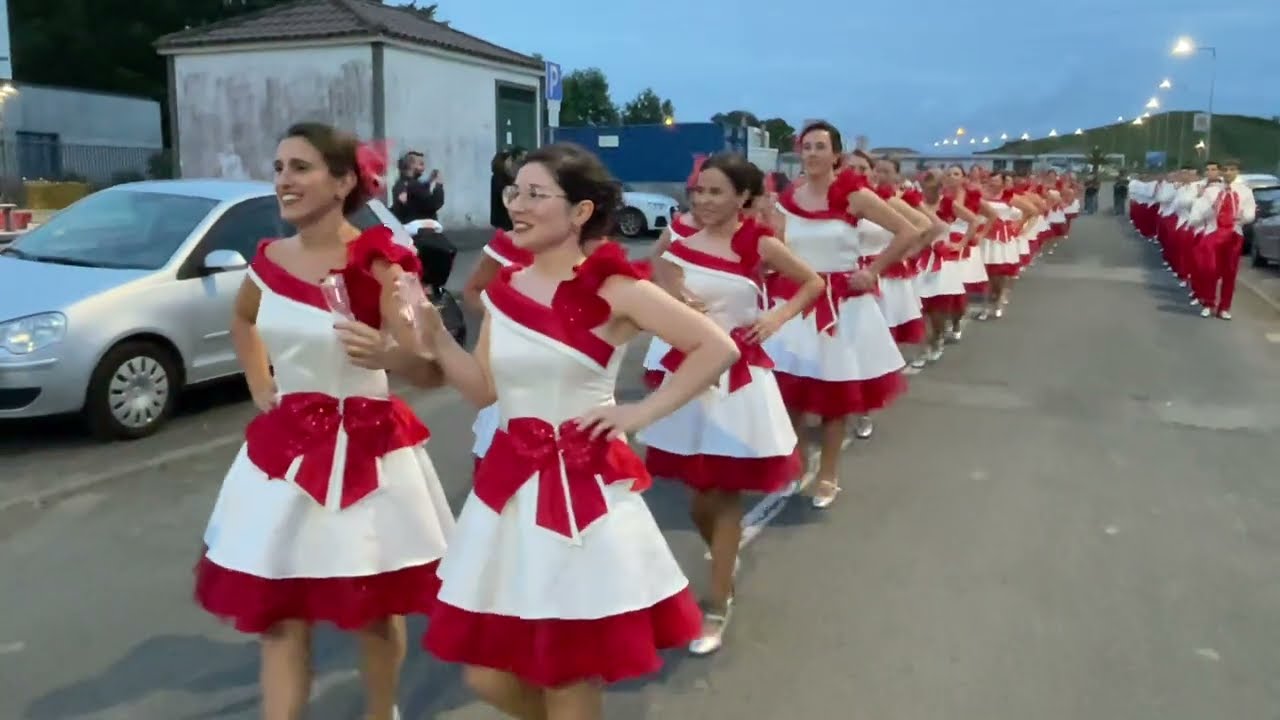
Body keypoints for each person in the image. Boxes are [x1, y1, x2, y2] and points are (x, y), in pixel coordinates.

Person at [416, 142, 740, 719]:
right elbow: (485, 390)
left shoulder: (615, 288)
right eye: (514, 192)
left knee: (568, 674)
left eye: (535, 194)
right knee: (487, 675)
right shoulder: (505, 291)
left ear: (581, 212)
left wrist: (639, 414)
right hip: (510, 494)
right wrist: (437, 339)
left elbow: (716, 348)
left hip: (583, 497)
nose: (517, 205)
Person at [193, 122, 456, 720]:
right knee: (280, 614)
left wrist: (388, 354)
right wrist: (260, 382)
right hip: (284, 454)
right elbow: (243, 319)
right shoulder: (268, 259)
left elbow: (430, 367)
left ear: (342, 183)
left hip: (368, 453)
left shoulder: (382, 263)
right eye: (279, 167)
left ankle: (381, 712)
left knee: (373, 609)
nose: (284, 180)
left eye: (301, 167)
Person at [640, 151, 822, 656]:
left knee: (723, 493)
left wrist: (776, 317)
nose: (703, 200)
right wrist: (673, 294)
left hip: (737, 380)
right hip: (685, 374)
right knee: (698, 498)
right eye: (698, 191)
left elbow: (813, 282)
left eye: (716, 192)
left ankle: (718, 601)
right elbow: (656, 268)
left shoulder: (757, 242)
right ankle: (723, 554)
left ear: (742, 197)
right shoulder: (679, 235)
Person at [390, 150, 444, 224]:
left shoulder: (400, 185)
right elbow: (434, 203)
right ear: (411, 165)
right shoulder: (412, 186)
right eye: (421, 164)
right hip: (421, 229)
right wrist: (438, 185)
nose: (423, 168)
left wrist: (430, 182)